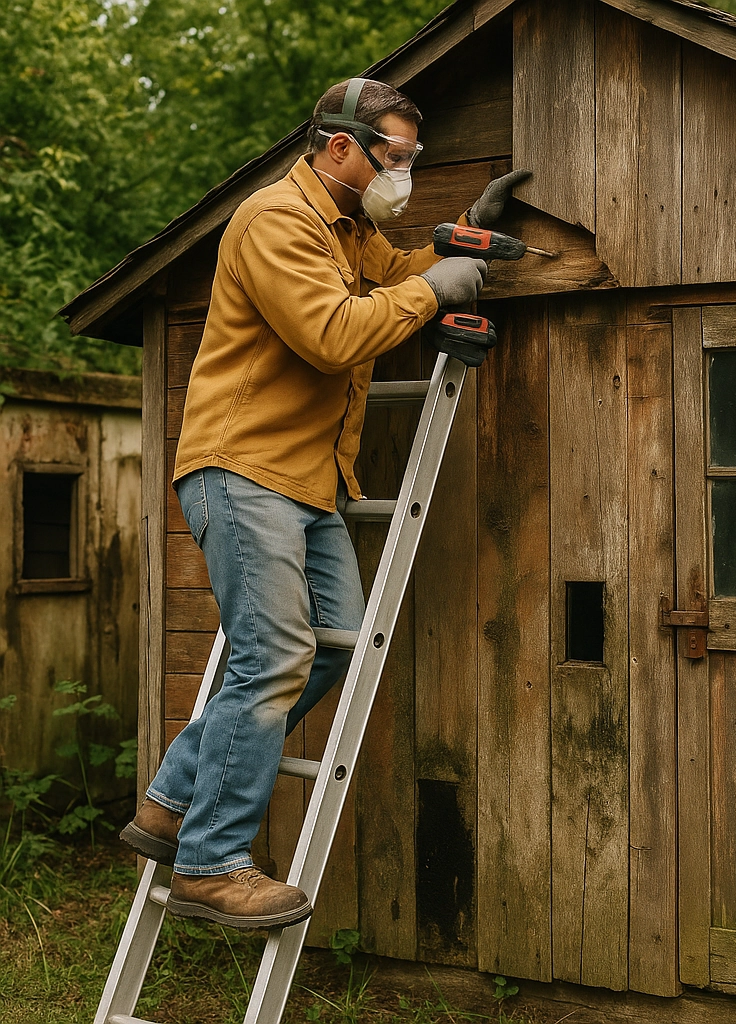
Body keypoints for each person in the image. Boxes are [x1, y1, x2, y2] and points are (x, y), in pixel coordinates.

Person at [119, 77, 529, 929]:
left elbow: (405, 272)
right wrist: (434, 291)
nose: (406, 171)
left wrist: (470, 249)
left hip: (311, 482)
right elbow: (333, 332)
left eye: (414, 157)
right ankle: (208, 863)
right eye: (397, 155)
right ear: (340, 146)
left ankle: (168, 803)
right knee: (271, 659)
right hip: (244, 471)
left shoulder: (352, 227)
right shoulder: (276, 220)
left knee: (332, 647)